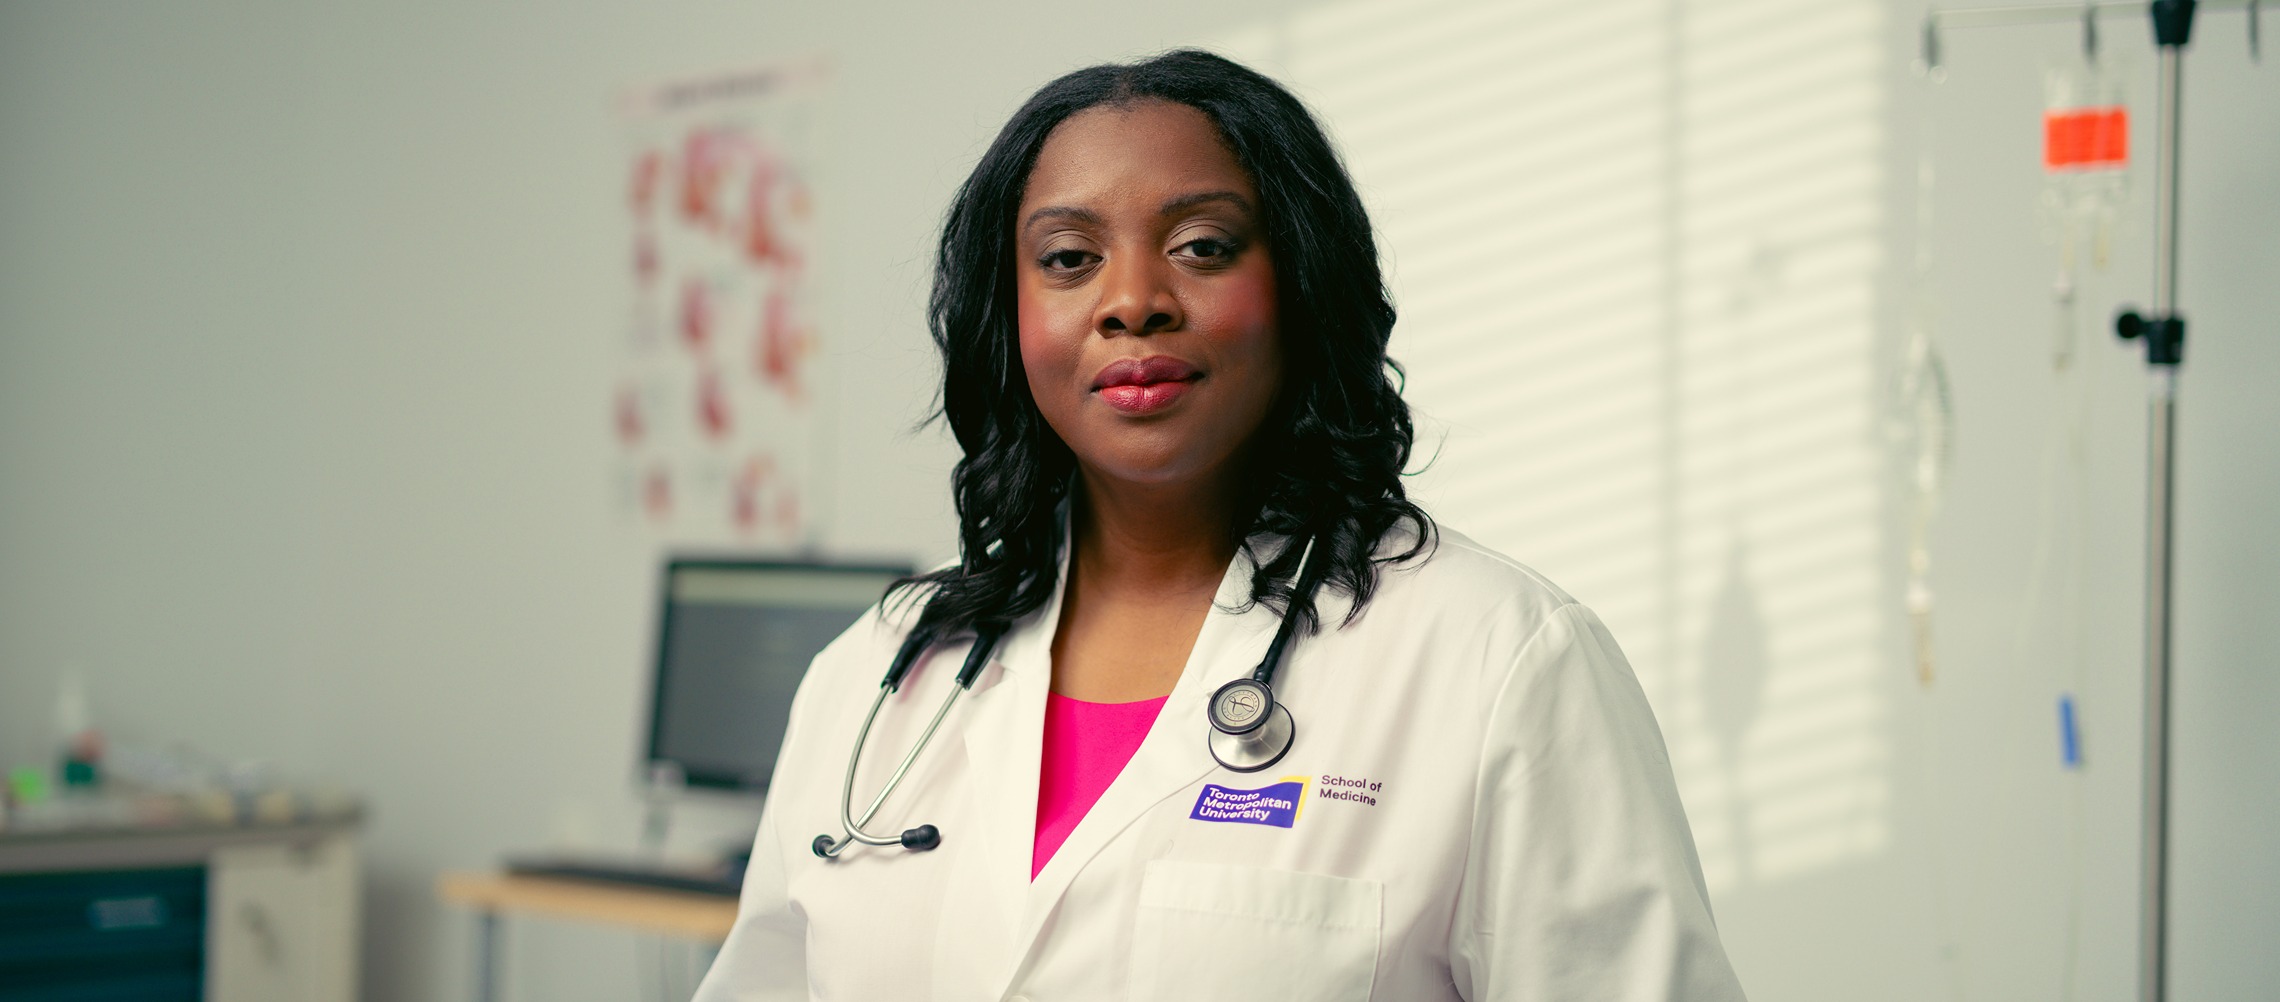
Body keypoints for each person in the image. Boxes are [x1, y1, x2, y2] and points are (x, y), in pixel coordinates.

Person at [693, 49, 1745, 1002]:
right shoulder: (877, 675)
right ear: (1005, 322)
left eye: (1201, 246)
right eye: (1067, 259)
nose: (1134, 301)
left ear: (1301, 288)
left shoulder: (1499, 661)